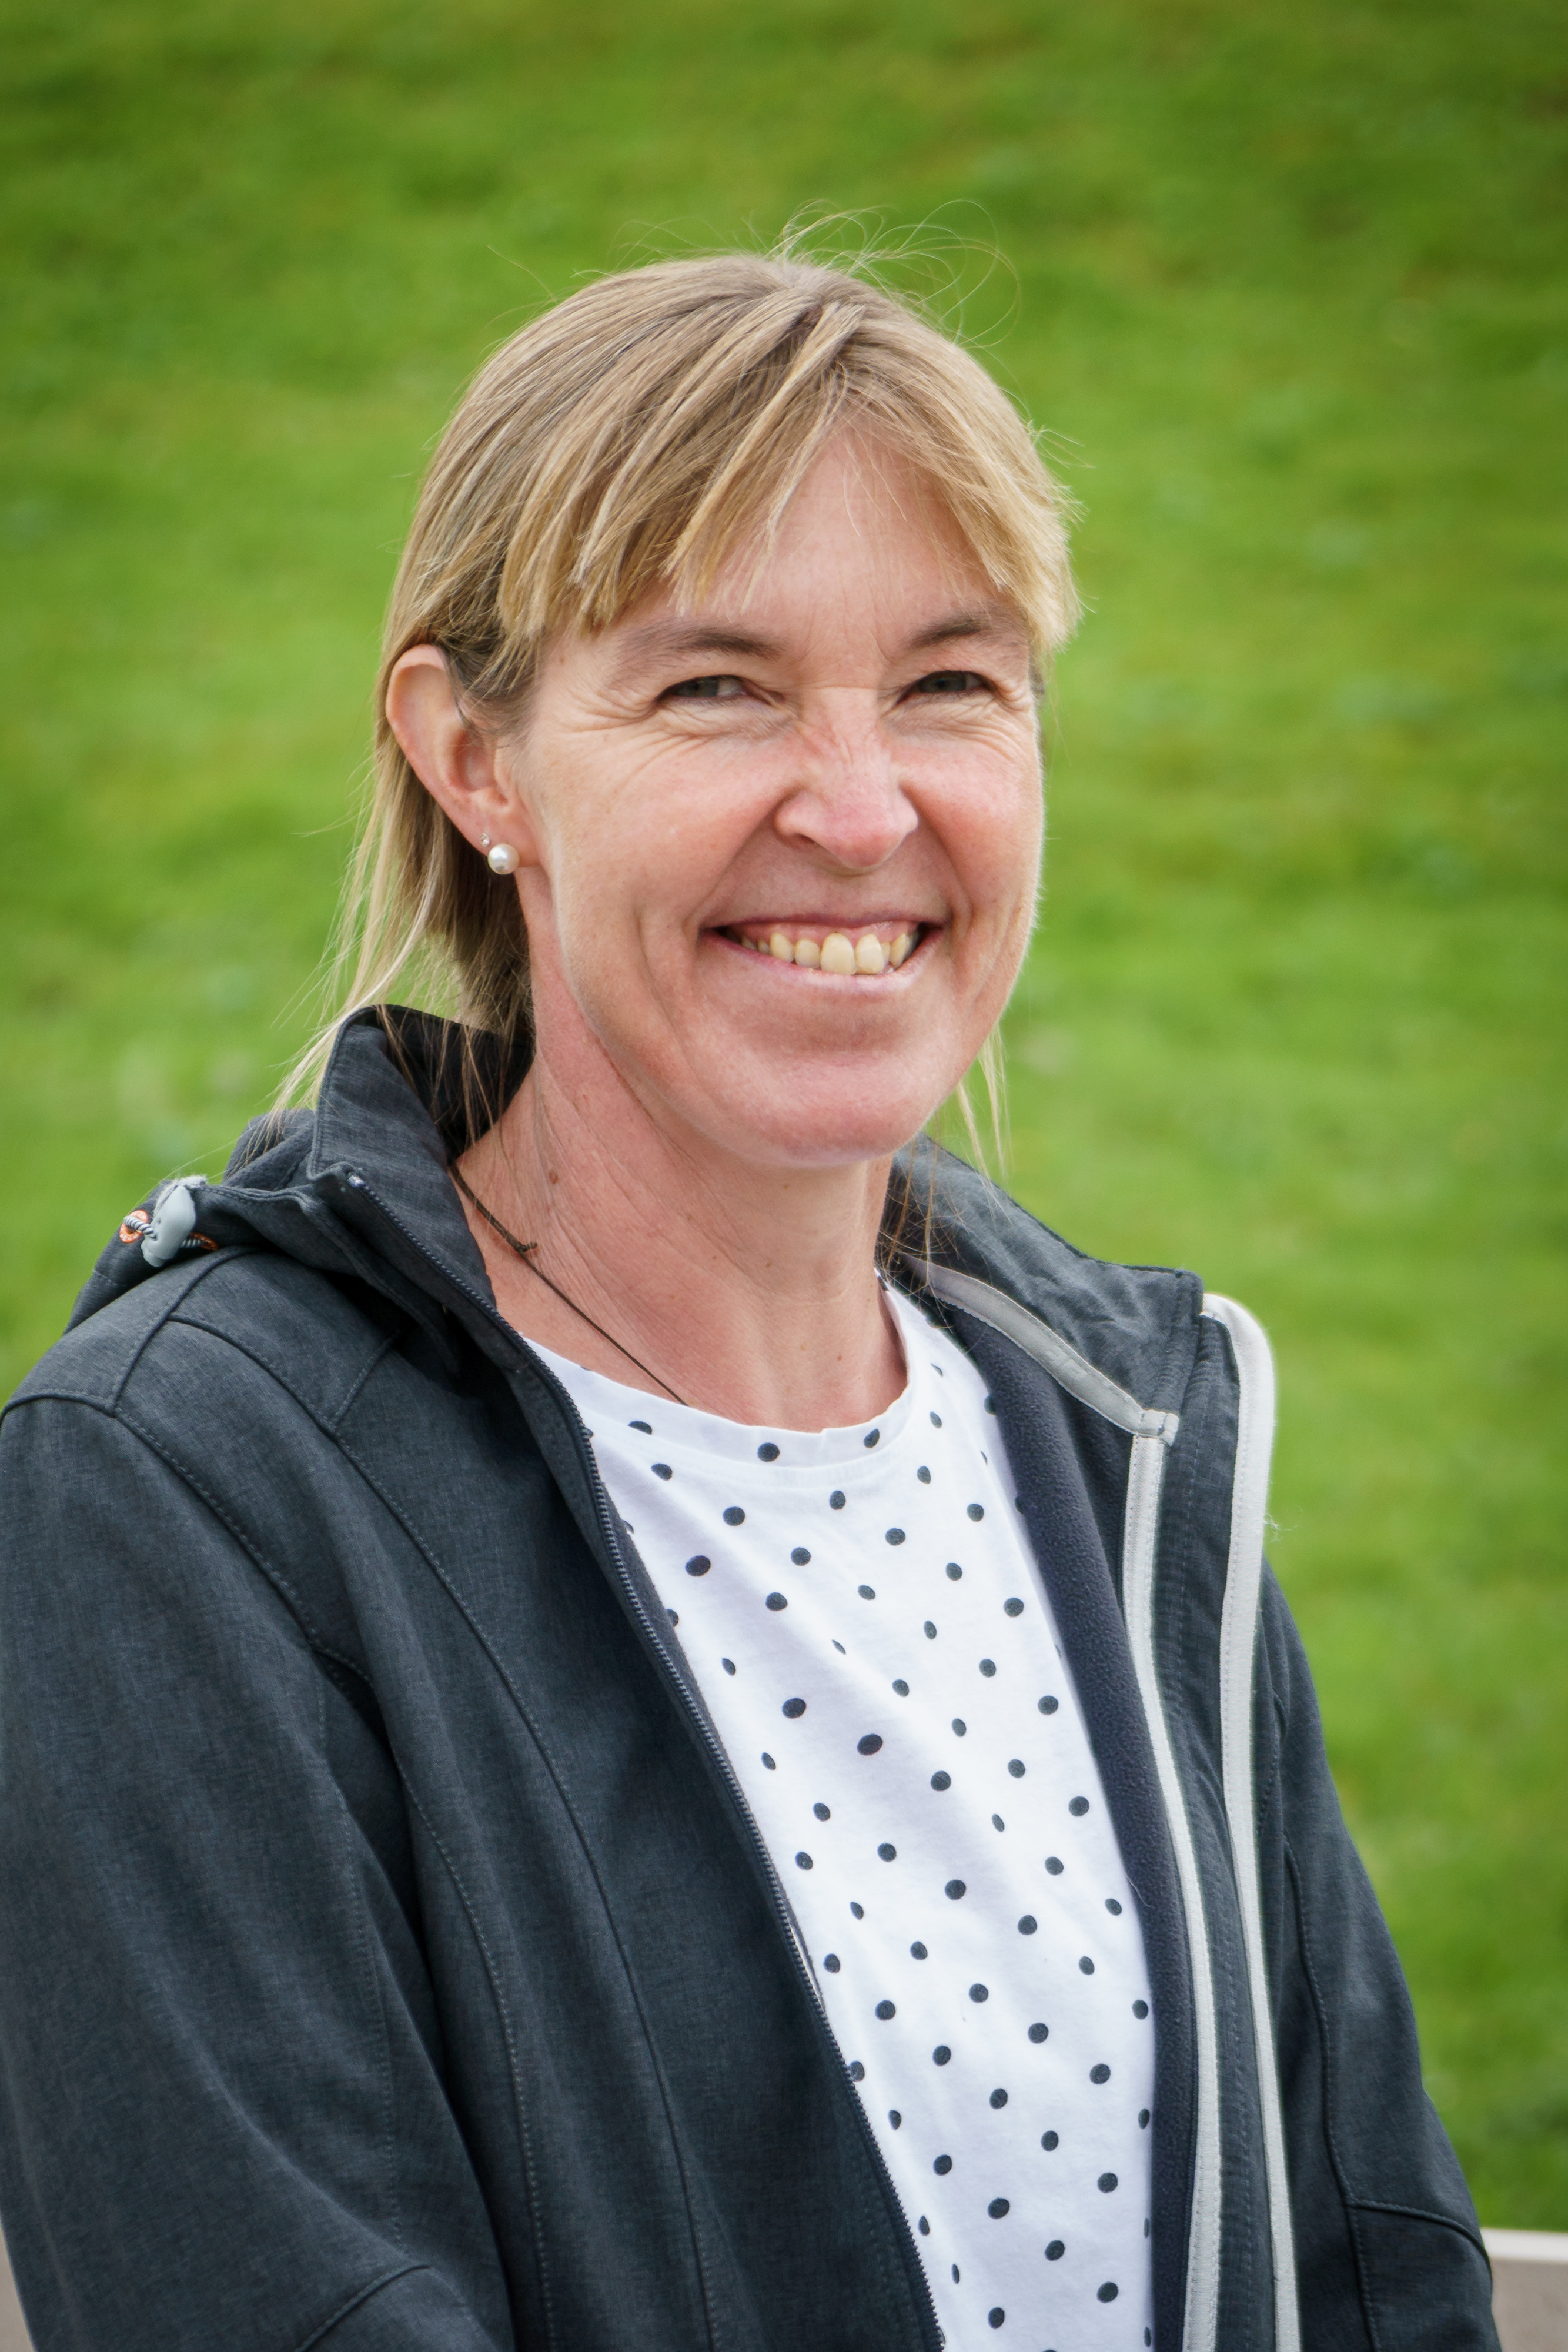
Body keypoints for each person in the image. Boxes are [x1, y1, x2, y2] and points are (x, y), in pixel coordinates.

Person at [0, 251, 1497, 2352]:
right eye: (717, 687)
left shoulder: (1135, 1442)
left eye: (950, 683)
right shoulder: (182, 1494)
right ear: (473, 760)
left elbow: (1376, 2284)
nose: (863, 810)